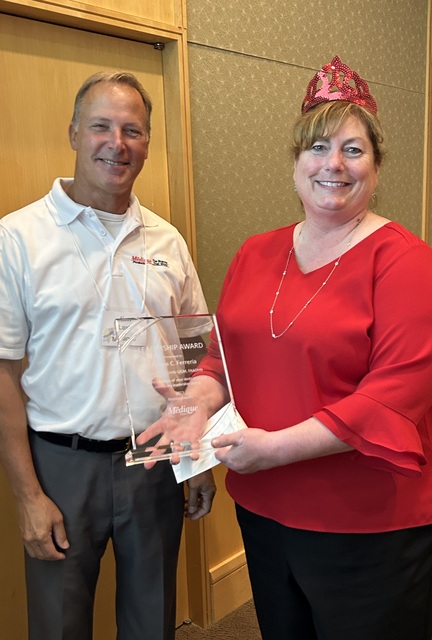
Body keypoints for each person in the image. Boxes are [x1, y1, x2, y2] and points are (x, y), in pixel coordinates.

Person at [138, 56, 432, 639]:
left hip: (369, 524)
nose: (333, 163)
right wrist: (197, 401)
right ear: (295, 164)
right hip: (264, 511)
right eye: (317, 147)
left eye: (353, 150)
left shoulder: (405, 263)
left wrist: (274, 449)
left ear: (376, 167)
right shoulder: (255, 253)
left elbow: (389, 401)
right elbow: (222, 357)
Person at [0, 71, 215, 640]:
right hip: (62, 466)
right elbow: (2, 372)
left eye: (132, 130)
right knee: (59, 622)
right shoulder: (18, 238)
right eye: (101, 126)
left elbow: (194, 352)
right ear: (74, 133)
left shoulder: (167, 241)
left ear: (146, 144)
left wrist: (194, 458)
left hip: (156, 458)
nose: (116, 144)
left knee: (152, 619)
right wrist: (27, 496)